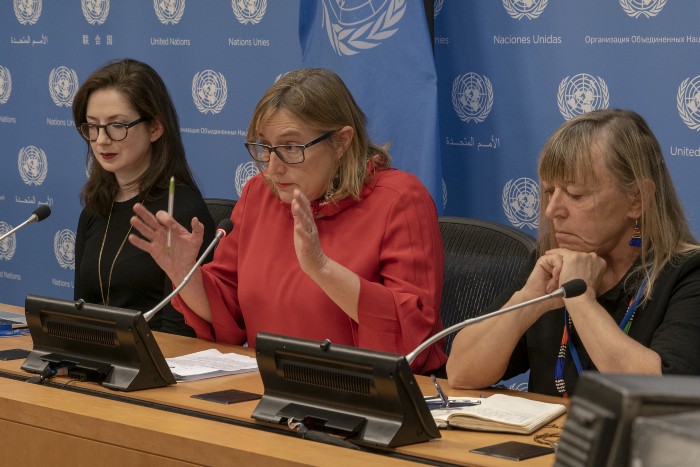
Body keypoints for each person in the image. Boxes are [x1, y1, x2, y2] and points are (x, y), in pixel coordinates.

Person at [128, 67, 447, 374]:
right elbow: (227, 310)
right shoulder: (259, 194)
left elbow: (412, 342)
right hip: (270, 390)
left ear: (341, 141)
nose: (273, 167)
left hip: (367, 399)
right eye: (265, 147)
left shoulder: (400, 200)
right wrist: (186, 274)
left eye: (291, 147)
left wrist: (321, 268)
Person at [447, 109, 700, 396]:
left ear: (636, 200)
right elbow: (461, 373)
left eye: (576, 194)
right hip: (550, 440)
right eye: (549, 192)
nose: (553, 210)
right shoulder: (549, 263)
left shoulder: (688, 274)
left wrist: (580, 299)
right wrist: (529, 300)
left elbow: (661, 395)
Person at [72, 58, 215, 337]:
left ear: (155, 128)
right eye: (93, 126)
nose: (101, 140)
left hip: (157, 368)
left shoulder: (181, 210)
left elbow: (182, 335)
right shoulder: (94, 208)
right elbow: (80, 311)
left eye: (117, 125)